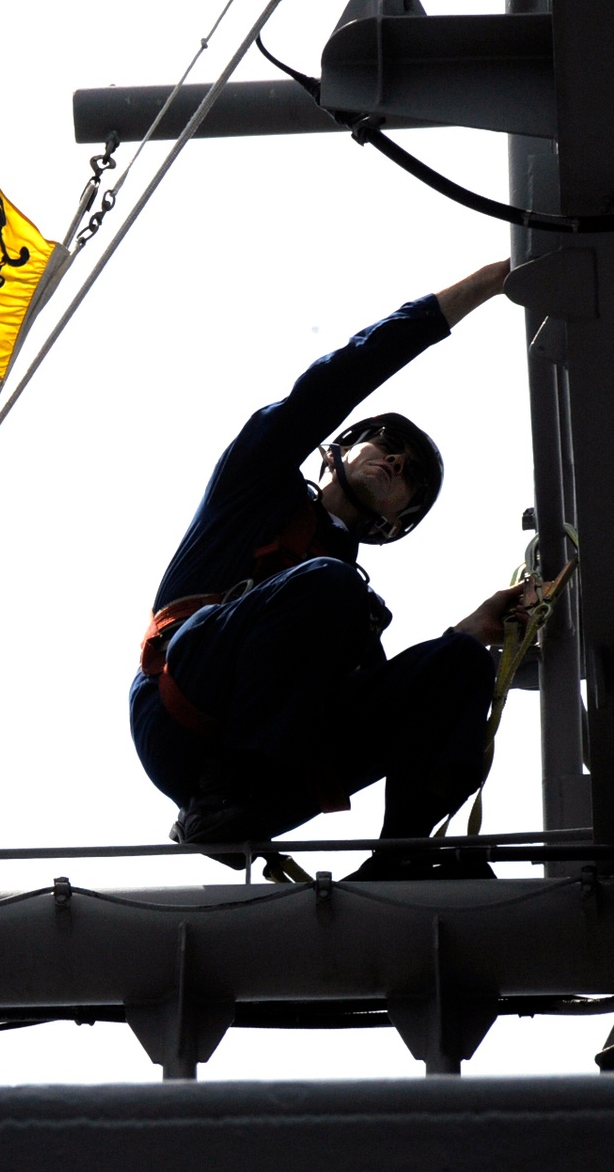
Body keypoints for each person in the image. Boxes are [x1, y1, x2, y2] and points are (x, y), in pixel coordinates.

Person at [129, 260, 515, 880]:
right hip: (179, 712)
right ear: (336, 448)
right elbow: (344, 374)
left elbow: (374, 712)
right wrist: (489, 284)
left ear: (396, 525)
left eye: (411, 474)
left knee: (462, 664)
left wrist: (471, 633)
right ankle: (220, 798)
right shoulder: (254, 484)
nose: (395, 461)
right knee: (329, 586)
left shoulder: (349, 611)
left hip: (277, 783)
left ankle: (400, 859)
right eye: (387, 444)